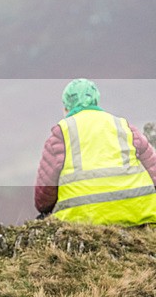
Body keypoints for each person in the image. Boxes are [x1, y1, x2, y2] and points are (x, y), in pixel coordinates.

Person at [35, 78, 156, 225]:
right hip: (137, 213)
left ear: (66, 107)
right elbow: (153, 168)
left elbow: (44, 195)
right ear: (96, 101)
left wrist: (45, 209)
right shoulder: (123, 126)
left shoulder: (61, 133)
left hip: (82, 219)